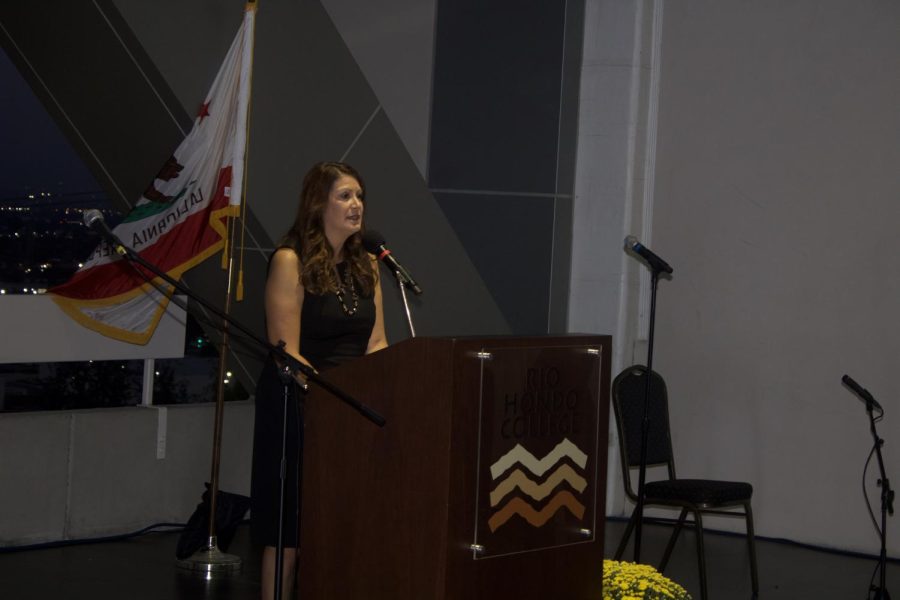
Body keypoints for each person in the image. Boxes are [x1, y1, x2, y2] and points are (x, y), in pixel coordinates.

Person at [250, 161, 388, 599]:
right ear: (317, 203)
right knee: (289, 528)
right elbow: (285, 350)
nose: (356, 205)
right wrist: (334, 398)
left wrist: (388, 389)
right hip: (298, 406)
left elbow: (378, 342)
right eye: (345, 196)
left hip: (349, 409)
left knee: (341, 525)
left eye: (360, 196)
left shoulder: (368, 264)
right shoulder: (290, 261)